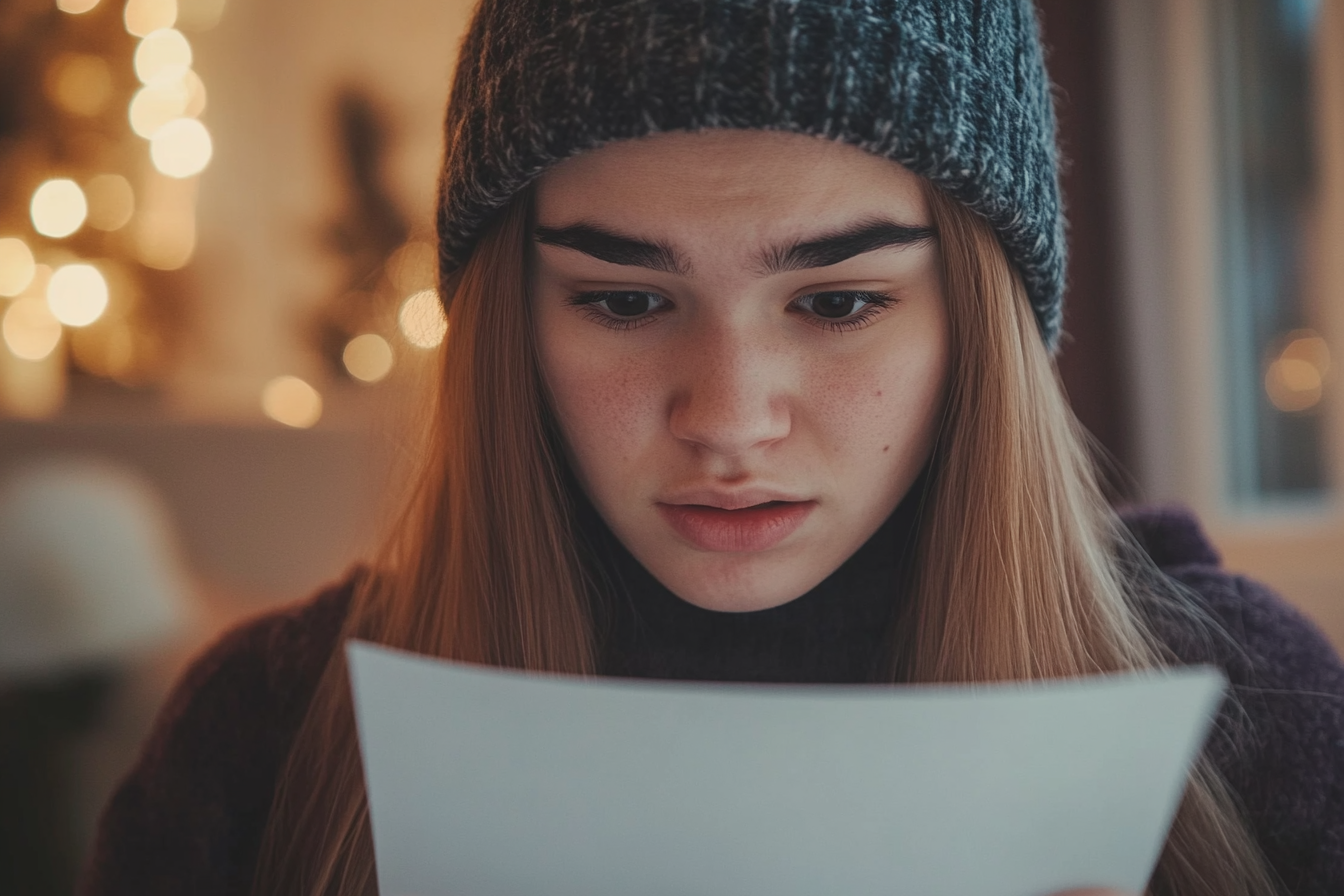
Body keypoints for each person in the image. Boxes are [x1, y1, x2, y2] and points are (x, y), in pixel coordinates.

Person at [81, 1, 1344, 894]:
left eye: (838, 302)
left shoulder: (1258, 724)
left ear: (981, 321)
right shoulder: (264, 742)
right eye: (625, 300)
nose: (731, 417)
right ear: (507, 324)